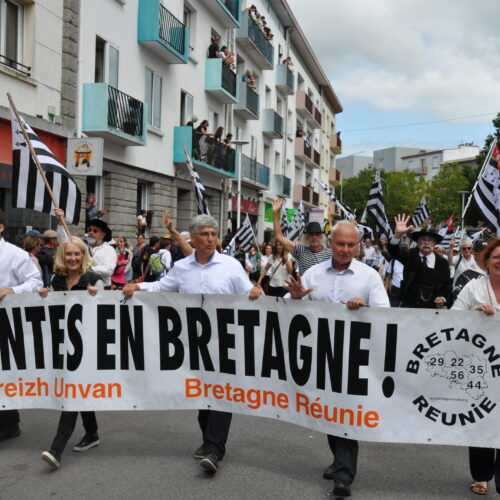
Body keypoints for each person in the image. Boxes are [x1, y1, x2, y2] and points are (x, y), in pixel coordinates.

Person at [123, 215, 262, 474]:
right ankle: (209, 439)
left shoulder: (230, 265)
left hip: (225, 342)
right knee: (203, 395)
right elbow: (162, 287)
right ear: (193, 238)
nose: (211, 239)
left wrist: (255, 292)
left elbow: (251, 295)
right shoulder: (182, 267)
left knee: (221, 395)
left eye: (214, 234)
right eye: (205, 234)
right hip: (194, 343)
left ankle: (215, 449)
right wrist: (136, 286)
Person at [283, 220, 389, 498]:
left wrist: (363, 308)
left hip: (355, 358)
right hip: (319, 356)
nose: (345, 249)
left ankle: (344, 474)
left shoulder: (369, 277)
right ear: (330, 244)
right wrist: (294, 298)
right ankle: (338, 462)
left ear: (358, 246)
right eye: (340, 244)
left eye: (350, 244)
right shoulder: (313, 274)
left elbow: (386, 315)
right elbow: (289, 307)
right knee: (329, 411)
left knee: (346, 413)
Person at [39, 236, 103, 469]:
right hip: (65, 345)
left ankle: (56, 448)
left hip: (90, 347)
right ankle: (92, 433)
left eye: (77, 254)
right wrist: (44, 297)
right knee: (79, 389)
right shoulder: (57, 279)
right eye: (68, 254)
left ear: (83, 256)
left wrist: (100, 295)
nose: (73, 258)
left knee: (72, 392)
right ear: (62, 257)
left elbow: (111, 312)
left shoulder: (92, 279)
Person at [452, 238, 500, 495]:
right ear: (487, 260)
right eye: (496, 257)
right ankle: (481, 475)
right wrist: (474, 317)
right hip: (479, 367)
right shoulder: (473, 288)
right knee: (482, 419)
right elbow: (451, 319)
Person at [0, 210, 43, 441]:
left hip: (6, 321)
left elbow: (36, 281)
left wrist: (11, 290)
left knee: (3, 372)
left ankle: (9, 423)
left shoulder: (15, 255)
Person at [388, 214, 452, 309]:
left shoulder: (442, 262)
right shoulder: (409, 255)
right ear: (417, 242)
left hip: (432, 309)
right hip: (409, 307)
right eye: (423, 239)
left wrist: (442, 298)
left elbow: (447, 285)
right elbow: (394, 252)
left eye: (430, 240)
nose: (426, 242)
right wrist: (398, 235)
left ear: (435, 243)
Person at [56, 208, 117, 288]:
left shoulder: (109, 250)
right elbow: (64, 241)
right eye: (89, 230)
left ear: (103, 235)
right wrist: (61, 222)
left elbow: (109, 270)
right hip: (82, 287)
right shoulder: (82, 246)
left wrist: (86, 268)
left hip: (102, 288)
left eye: (95, 231)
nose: (91, 232)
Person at [272, 198, 331, 275]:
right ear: (306, 237)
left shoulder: (330, 253)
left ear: (321, 236)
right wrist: (276, 213)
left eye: (317, 234)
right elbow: (278, 236)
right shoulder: (300, 251)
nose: (314, 237)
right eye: (311, 234)